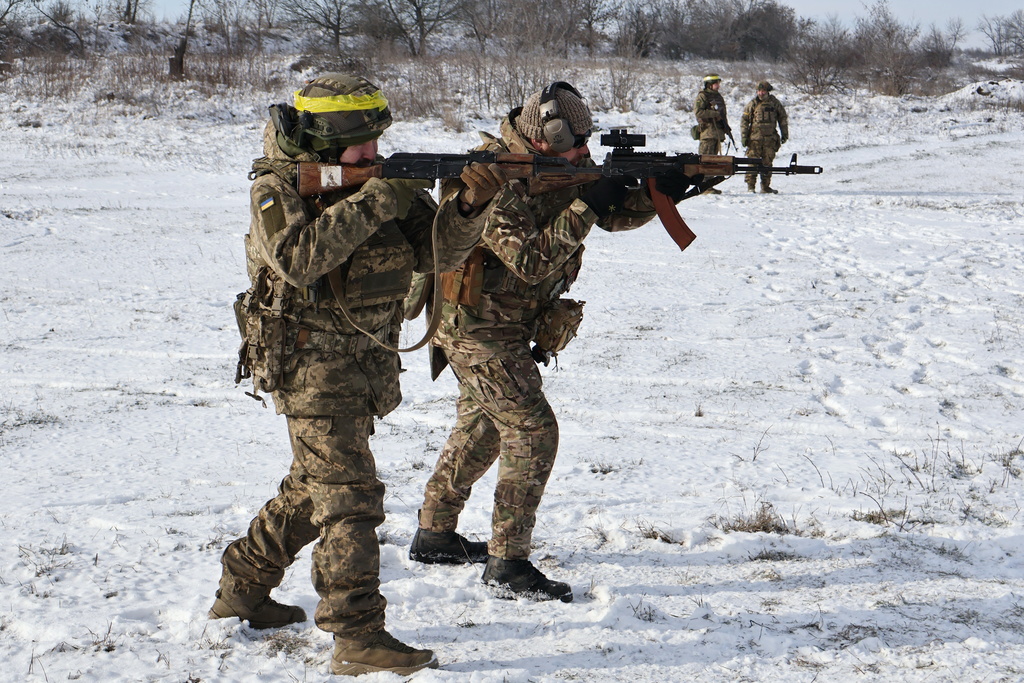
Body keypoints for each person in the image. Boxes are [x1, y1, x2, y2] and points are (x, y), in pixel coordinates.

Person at [208, 73, 501, 676]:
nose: (372, 156)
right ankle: (356, 635)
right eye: (358, 149)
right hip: (311, 369)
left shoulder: (380, 182)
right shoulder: (276, 187)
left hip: (361, 366)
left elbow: (436, 252)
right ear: (319, 144)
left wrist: (469, 205)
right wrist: (378, 199)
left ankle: (241, 586)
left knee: (311, 491)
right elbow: (295, 258)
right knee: (351, 500)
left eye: (375, 145)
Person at [407, 82, 693, 602]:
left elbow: (612, 215)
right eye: (575, 148)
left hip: (506, 324)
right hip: (475, 327)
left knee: (483, 430)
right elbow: (531, 258)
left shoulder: (553, 170)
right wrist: (589, 201)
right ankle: (508, 563)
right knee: (532, 431)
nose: (585, 154)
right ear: (540, 142)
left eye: (586, 146)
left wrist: (665, 193)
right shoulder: (488, 178)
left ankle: (434, 533)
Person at [741, 80, 789, 194]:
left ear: (767, 91)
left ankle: (765, 187)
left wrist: (784, 134)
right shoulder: (752, 103)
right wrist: (744, 136)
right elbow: (744, 120)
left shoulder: (775, 103)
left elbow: (782, 118)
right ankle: (751, 187)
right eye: (759, 91)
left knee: (767, 163)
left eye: (763, 91)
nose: (760, 93)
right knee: (752, 163)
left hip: (770, 139)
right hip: (755, 139)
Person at [693, 73, 732, 195]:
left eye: (719, 83)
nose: (718, 85)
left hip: (717, 133)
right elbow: (699, 112)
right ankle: (703, 186)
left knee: (713, 160)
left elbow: (722, 114)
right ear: (710, 84)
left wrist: (725, 127)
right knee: (705, 159)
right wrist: (713, 114)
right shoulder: (703, 96)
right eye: (716, 83)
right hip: (708, 133)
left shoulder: (718, 96)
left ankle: (709, 185)